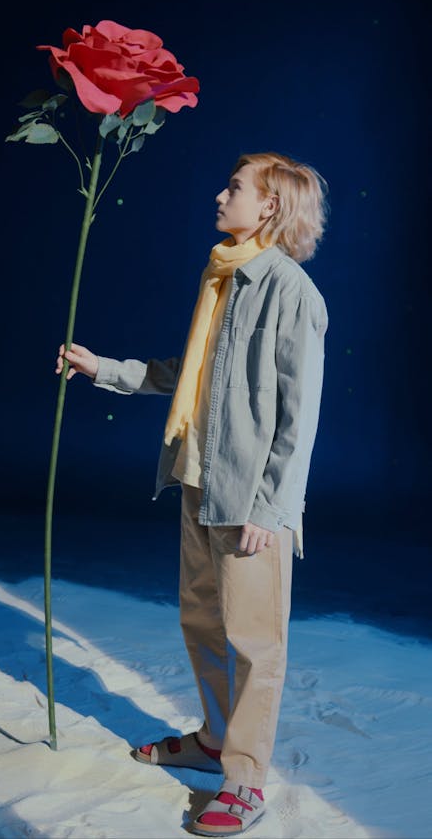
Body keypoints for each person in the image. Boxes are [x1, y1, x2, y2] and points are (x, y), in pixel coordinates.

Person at [55, 151, 329, 837]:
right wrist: (105, 370)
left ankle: (245, 778)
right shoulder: (223, 277)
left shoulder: (291, 291)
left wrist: (271, 508)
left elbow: (301, 416)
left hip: (249, 500)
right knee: (202, 619)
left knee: (254, 640)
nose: (220, 194)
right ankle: (213, 738)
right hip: (198, 477)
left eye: (233, 187)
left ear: (267, 206)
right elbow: (193, 374)